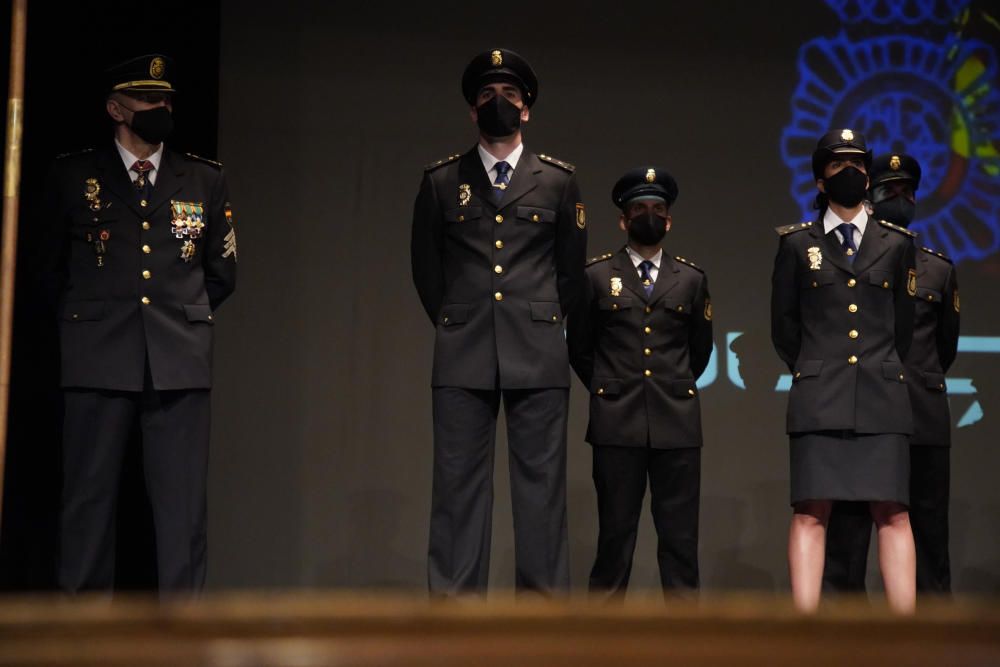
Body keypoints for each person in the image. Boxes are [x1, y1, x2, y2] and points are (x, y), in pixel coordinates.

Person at [40, 54, 237, 593]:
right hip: (97, 352)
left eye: (167, 100)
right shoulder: (73, 175)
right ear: (115, 108)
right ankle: (82, 635)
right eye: (149, 100)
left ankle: (183, 632)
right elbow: (50, 269)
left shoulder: (201, 177)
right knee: (88, 501)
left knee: (182, 509)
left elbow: (221, 273)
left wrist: (176, 317)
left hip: (179, 357)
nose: (161, 108)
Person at [410, 48, 587, 594]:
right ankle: (455, 622)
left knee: (541, 491)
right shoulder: (442, 181)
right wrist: (457, 320)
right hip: (464, 349)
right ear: (472, 110)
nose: (499, 104)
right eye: (487, 95)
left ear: (526, 109)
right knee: (457, 490)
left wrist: (539, 323)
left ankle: (542, 623)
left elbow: (570, 272)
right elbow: (426, 269)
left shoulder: (557, 182)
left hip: (536, 352)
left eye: (510, 95)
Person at [770, 129, 917, 613]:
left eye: (857, 163)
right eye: (838, 164)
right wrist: (819, 369)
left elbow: (903, 326)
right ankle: (805, 629)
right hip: (819, 397)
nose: (850, 171)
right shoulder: (796, 245)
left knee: (893, 512)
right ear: (819, 179)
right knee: (811, 512)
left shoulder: (897, 244)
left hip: (881, 395)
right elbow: (785, 328)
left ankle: (906, 633)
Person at [567, 167, 712, 596]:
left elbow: (699, 352)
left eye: (657, 209)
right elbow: (580, 347)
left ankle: (684, 643)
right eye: (638, 209)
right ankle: (603, 645)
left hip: (677, 424)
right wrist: (610, 389)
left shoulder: (691, 279)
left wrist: (668, 385)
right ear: (622, 220)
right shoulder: (594, 275)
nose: (648, 215)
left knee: (680, 540)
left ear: (668, 221)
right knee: (615, 537)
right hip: (617, 422)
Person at [824, 153, 960, 595]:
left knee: (929, 536)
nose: (898, 199)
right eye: (888, 191)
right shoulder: (850, 267)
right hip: (862, 411)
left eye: (906, 192)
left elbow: (945, 347)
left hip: (921, 415)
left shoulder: (938, 269)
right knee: (847, 541)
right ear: (869, 197)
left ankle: (935, 646)